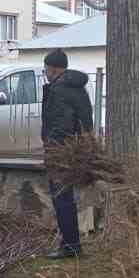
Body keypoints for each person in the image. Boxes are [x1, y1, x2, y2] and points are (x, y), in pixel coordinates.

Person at [41, 48, 95, 260]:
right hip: (73, 150)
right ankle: (70, 243)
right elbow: (85, 121)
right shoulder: (78, 88)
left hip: (60, 152)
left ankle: (70, 246)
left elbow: (58, 124)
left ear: (54, 69)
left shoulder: (59, 90)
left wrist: (52, 148)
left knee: (61, 199)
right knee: (66, 199)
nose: (45, 73)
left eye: (46, 69)